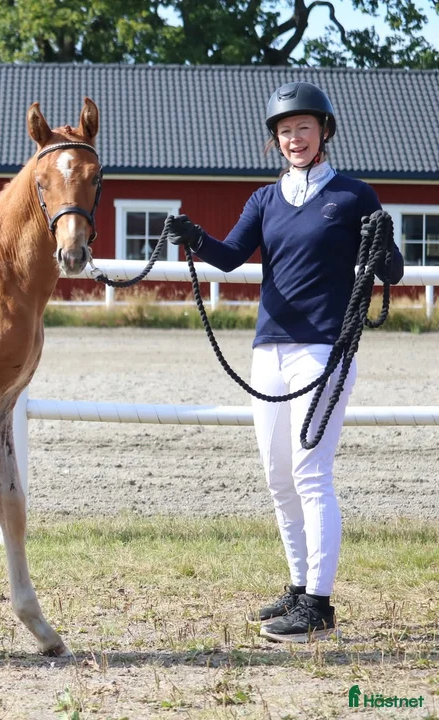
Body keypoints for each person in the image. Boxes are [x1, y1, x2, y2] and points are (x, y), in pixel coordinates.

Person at [163, 81, 404, 643]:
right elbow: (228, 258)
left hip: (323, 349)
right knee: (277, 476)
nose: (293, 139)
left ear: (323, 131)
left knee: (310, 473)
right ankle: (299, 586)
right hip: (268, 347)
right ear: (275, 141)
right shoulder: (264, 199)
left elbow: (388, 272)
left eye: (302, 128)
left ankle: (319, 604)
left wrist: (384, 240)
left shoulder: (354, 196)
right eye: (284, 131)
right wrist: (193, 235)